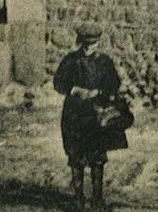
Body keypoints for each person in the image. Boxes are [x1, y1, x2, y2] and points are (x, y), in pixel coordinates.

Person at [53, 24, 130, 207]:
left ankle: (97, 198)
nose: (89, 48)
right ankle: (78, 197)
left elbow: (113, 84)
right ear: (80, 43)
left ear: (97, 43)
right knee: (75, 155)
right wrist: (74, 90)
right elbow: (58, 83)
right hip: (74, 114)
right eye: (86, 45)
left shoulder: (104, 62)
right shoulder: (71, 60)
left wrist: (98, 92)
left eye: (93, 45)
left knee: (97, 156)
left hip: (95, 114)